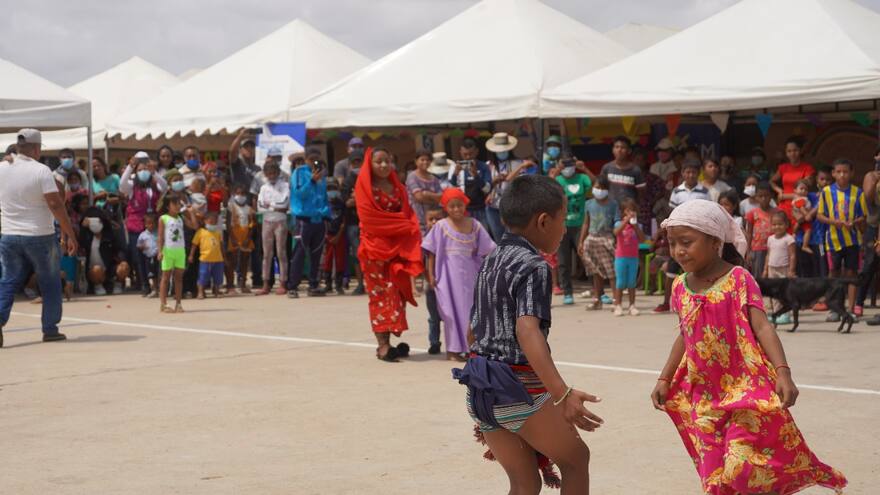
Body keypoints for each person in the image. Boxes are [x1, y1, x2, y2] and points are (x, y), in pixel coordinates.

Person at [650, 199, 847, 495]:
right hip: (704, 398)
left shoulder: (739, 279)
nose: (678, 251)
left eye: (687, 242)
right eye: (673, 243)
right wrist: (664, 378)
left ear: (715, 241)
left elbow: (763, 327)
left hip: (746, 391)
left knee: (742, 469)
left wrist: (783, 372)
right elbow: (684, 335)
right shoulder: (679, 285)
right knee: (715, 481)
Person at [455, 174, 600, 494]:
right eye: (564, 220)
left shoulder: (491, 259)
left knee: (524, 483)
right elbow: (527, 330)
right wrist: (561, 394)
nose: (565, 229)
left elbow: (472, 330)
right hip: (517, 390)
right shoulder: (533, 265)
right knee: (576, 459)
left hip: (479, 388)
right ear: (545, 221)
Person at [0, 129, 77, 347]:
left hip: (9, 234)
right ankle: (50, 329)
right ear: (36, 148)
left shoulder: (2, 168)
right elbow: (55, 204)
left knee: (8, 280)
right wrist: (69, 233)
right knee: (50, 282)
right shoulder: (41, 171)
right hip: (39, 235)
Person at [355, 147, 423, 362]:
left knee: (397, 292)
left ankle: (391, 338)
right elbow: (368, 218)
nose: (384, 165)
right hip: (374, 249)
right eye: (379, 161)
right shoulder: (364, 188)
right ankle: (382, 345)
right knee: (380, 295)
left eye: (387, 161)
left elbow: (407, 215)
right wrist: (398, 225)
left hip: (398, 247)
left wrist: (405, 227)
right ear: (370, 164)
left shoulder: (398, 187)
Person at [423, 188, 495, 361]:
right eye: (452, 206)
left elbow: (488, 249)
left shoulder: (475, 225)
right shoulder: (441, 226)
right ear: (445, 208)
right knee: (450, 313)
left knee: (471, 312)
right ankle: (453, 351)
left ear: (465, 205)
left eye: (459, 205)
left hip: (471, 277)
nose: (456, 209)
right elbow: (431, 252)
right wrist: (431, 275)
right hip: (447, 277)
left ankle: (471, 348)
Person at [817, 158, 867, 321]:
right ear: (833, 173)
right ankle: (835, 308)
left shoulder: (858, 193)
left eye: (845, 172)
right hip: (833, 241)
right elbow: (820, 215)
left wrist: (857, 222)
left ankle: (850, 309)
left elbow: (863, 217)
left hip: (853, 241)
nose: (842, 175)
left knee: (851, 274)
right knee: (834, 274)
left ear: (851, 173)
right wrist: (835, 222)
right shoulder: (826, 192)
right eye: (838, 172)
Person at [120, 152, 166, 296]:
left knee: (155, 255)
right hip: (137, 226)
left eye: (145, 168)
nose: (143, 172)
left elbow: (164, 186)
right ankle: (144, 284)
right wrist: (130, 167)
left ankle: (157, 285)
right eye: (140, 169)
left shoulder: (154, 183)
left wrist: (154, 172)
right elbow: (122, 185)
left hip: (153, 225)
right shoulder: (132, 185)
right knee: (139, 257)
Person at [289, 155, 330, 298]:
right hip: (303, 220)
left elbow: (324, 197)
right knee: (299, 253)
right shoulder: (299, 173)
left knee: (316, 254)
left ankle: (313, 285)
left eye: (317, 160)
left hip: (319, 220)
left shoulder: (321, 176)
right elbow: (299, 194)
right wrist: (312, 181)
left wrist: (326, 214)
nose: (315, 163)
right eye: (312, 160)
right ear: (307, 160)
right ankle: (292, 286)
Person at [555, 157, 592, 306]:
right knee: (563, 261)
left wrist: (584, 168)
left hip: (580, 225)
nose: (567, 167)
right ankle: (568, 292)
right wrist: (557, 170)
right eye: (564, 165)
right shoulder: (558, 179)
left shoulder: (582, 178)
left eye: (570, 164)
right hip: (562, 226)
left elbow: (596, 184)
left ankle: (598, 291)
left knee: (586, 258)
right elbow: (545, 188)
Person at [578, 177, 618, 311]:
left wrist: (617, 241)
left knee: (611, 271)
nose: (599, 190)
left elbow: (617, 222)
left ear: (607, 190)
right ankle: (597, 299)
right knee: (595, 271)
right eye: (597, 187)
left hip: (607, 238)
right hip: (591, 238)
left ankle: (615, 300)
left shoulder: (613, 204)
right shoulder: (589, 204)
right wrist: (581, 241)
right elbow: (586, 223)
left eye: (602, 188)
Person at [485, 132, 529, 241]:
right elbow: (486, 185)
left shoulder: (519, 163)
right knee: (498, 239)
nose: (501, 152)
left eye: (504, 150)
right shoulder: (489, 165)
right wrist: (490, 191)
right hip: (493, 207)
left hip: (511, 207)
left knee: (513, 238)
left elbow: (522, 183)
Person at [256, 161, 290, 296]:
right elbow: (259, 205)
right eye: (269, 173)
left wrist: (269, 205)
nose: (271, 176)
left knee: (281, 253)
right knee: (266, 254)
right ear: (265, 174)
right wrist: (274, 207)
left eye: (274, 173)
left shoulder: (285, 185)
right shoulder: (263, 188)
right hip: (267, 221)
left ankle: (283, 282)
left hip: (280, 221)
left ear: (278, 172)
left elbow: (285, 202)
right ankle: (265, 283)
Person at [158, 193, 192, 313]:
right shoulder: (163, 218)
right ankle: (163, 303)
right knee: (165, 277)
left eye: (179, 204)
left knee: (178, 278)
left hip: (180, 251)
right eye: (175, 204)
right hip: (168, 251)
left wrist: (189, 212)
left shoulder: (181, 218)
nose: (178, 206)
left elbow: (194, 225)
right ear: (168, 206)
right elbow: (161, 236)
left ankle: (178, 303)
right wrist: (160, 251)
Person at [80, 208, 127, 296]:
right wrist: (83, 228)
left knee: (124, 266)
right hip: (93, 270)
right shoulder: (87, 236)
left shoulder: (109, 235)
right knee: (97, 269)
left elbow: (119, 248)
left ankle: (117, 284)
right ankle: (98, 286)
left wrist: (120, 260)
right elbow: (81, 243)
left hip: (108, 269)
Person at [450, 138, 492, 231]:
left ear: (476, 152)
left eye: (471, 154)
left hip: (481, 210)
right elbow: (450, 190)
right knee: (464, 239)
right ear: (460, 152)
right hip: (463, 211)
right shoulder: (454, 167)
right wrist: (455, 174)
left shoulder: (483, 167)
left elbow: (488, 189)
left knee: (482, 239)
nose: (468, 157)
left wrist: (476, 177)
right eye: (465, 154)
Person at [858, 147, 880, 323]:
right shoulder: (870, 176)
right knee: (868, 267)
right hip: (874, 227)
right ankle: (858, 304)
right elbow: (869, 196)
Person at [612, 198, 645, 317]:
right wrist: (626, 221)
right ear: (623, 212)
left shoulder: (637, 225)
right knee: (620, 282)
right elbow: (616, 232)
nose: (630, 212)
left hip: (633, 257)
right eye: (627, 210)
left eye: (632, 210)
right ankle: (618, 305)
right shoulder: (618, 223)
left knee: (631, 282)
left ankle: (632, 305)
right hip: (621, 257)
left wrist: (635, 226)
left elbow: (642, 239)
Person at [764, 211, 797, 325]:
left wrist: (792, 270)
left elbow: (793, 255)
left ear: (786, 225)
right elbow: (768, 255)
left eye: (780, 224)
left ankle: (786, 314)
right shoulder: (770, 239)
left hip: (784, 268)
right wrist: (765, 269)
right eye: (774, 224)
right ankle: (776, 313)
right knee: (774, 292)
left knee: (785, 292)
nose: (777, 227)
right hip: (772, 268)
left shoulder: (789, 239)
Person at [771, 136, 815, 221]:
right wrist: (779, 190)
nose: (792, 154)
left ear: (800, 151)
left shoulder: (807, 169)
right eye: (789, 151)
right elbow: (771, 181)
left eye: (795, 150)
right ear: (786, 153)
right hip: (783, 206)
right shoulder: (783, 168)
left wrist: (784, 196)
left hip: (800, 207)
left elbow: (805, 188)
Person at [340, 150, 366, 295]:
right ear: (350, 164)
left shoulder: (370, 178)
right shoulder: (348, 181)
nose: (357, 165)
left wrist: (357, 199)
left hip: (368, 222)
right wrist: (359, 199)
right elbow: (347, 202)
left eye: (359, 162)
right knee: (357, 255)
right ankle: (361, 284)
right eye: (354, 162)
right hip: (353, 223)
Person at [423, 208, 445, 355]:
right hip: (431, 283)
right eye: (431, 219)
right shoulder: (425, 239)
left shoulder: (447, 236)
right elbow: (424, 262)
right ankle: (434, 342)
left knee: (450, 316)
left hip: (446, 283)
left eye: (437, 219)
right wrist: (429, 277)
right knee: (433, 317)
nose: (434, 222)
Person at [405, 149, 443, 235]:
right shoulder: (412, 176)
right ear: (416, 161)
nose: (425, 162)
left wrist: (427, 194)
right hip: (417, 218)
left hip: (434, 220)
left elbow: (441, 197)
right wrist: (434, 197)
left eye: (428, 160)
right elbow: (419, 197)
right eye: (422, 160)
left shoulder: (434, 179)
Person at [226, 184, 255, 294]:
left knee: (244, 261)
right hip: (234, 234)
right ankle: (230, 285)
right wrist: (232, 237)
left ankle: (242, 284)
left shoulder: (249, 209)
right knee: (232, 260)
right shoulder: (231, 206)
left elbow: (252, 224)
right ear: (233, 195)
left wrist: (248, 237)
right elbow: (228, 223)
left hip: (245, 235)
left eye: (243, 194)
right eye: (238, 193)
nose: (240, 196)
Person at [599, 135, 645, 203]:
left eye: (623, 147)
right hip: (611, 209)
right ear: (613, 150)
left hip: (629, 211)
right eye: (616, 147)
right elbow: (600, 187)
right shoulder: (607, 168)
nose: (619, 150)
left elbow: (641, 192)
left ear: (629, 151)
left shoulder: (636, 170)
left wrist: (633, 206)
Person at [189, 211, 225, 299]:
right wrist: (191, 255)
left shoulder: (217, 233)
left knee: (218, 277)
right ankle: (201, 292)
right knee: (203, 276)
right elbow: (194, 245)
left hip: (218, 259)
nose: (213, 223)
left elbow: (220, 246)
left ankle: (216, 291)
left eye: (215, 222)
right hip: (205, 259)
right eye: (211, 221)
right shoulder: (200, 232)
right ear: (205, 221)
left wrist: (224, 256)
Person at [745, 182, 776, 278]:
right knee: (758, 276)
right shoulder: (752, 213)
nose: (763, 198)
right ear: (756, 197)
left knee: (772, 275)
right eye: (760, 196)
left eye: (766, 196)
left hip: (774, 248)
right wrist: (748, 251)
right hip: (757, 249)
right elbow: (749, 233)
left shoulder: (778, 212)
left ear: (771, 196)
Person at [321, 180, 347, 295]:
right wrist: (327, 235)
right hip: (328, 235)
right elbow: (323, 221)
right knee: (327, 260)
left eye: (334, 188)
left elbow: (344, 221)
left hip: (339, 235)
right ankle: (328, 284)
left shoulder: (342, 204)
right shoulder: (323, 204)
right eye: (329, 188)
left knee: (340, 260)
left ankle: (339, 285)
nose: (332, 192)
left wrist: (338, 235)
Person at [136, 213, 160, 298]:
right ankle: (154, 290)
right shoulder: (143, 235)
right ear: (145, 224)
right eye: (148, 223)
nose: (151, 225)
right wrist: (142, 246)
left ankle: (160, 289)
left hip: (158, 256)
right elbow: (138, 245)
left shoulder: (158, 232)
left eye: (153, 223)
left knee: (159, 273)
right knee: (151, 274)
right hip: (148, 257)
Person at [790, 180, 814, 255]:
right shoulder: (799, 199)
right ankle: (802, 243)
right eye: (801, 189)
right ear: (795, 190)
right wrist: (807, 215)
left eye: (806, 189)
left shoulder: (804, 198)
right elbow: (801, 208)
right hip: (801, 217)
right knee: (805, 229)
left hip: (803, 219)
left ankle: (804, 244)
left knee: (807, 230)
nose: (804, 191)